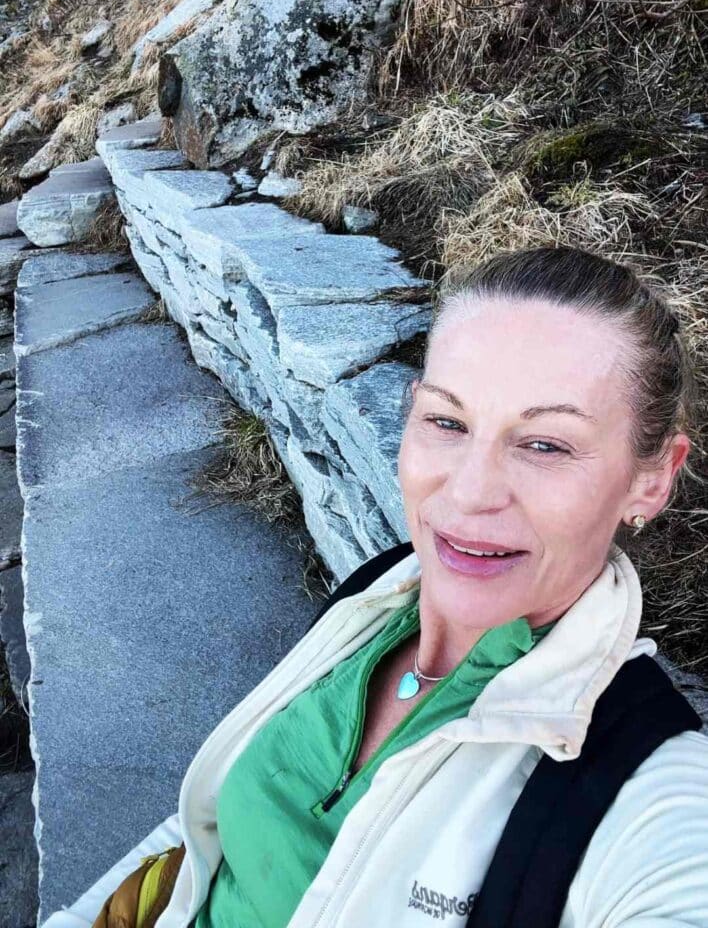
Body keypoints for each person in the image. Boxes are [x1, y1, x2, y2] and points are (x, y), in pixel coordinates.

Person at [44, 245, 708, 928]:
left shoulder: (648, 781)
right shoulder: (371, 602)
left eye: (546, 445)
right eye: (447, 422)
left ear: (651, 478)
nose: (471, 491)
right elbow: (199, 830)